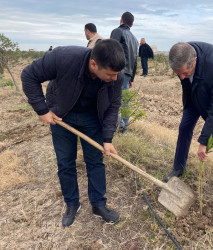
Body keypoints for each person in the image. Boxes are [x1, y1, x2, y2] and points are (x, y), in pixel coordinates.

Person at [21, 39, 125, 227]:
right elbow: (28, 75)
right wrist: (42, 110)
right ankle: (72, 204)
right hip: (62, 117)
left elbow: (113, 106)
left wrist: (108, 138)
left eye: (117, 74)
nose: (115, 78)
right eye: (110, 74)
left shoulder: (117, 75)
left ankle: (98, 205)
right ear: (94, 64)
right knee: (65, 162)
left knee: (95, 161)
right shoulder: (63, 57)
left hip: (93, 118)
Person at [165, 42, 213, 202]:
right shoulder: (182, 53)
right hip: (195, 96)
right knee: (184, 127)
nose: (181, 77)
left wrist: (204, 141)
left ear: (194, 61)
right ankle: (178, 168)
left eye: (184, 73)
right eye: (177, 73)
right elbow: (186, 81)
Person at [110, 11, 139, 133]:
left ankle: (118, 124)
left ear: (121, 19)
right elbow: (135, 61)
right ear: (132, 25)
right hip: (128, 73)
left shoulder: (117, 31)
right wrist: (132, 78)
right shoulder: (135, 39)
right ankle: (124, 127)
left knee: (113, 99)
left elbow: (111, 50)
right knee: (124, 101)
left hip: (117, 71)